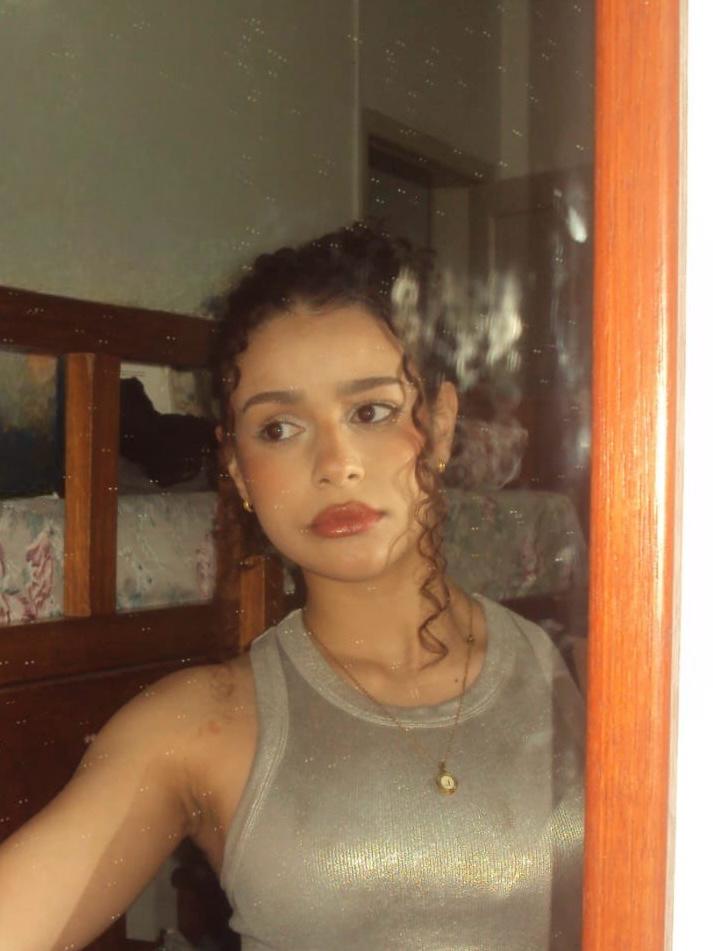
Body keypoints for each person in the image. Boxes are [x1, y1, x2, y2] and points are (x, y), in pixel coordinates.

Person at [0, 223, 584, 951]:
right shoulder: (198, 726)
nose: (334, 463)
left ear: (439, 426)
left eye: (370, 412)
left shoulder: (575, 671)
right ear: (238, 471)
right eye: (278, 428)